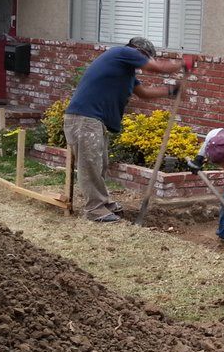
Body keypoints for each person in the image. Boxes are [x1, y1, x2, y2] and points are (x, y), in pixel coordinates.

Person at [64, 37, 185, 223]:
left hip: (94, 121)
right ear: (139, 52)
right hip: (83, 118)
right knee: (91, 166)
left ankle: (103, 203)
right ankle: (95, 210)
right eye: (145, 57)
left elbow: (143, 93)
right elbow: (157, 67)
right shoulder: (123, 52)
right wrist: (184, 64)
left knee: (99, 164)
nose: (143, 63)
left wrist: (170, 91)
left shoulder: (126, 73)